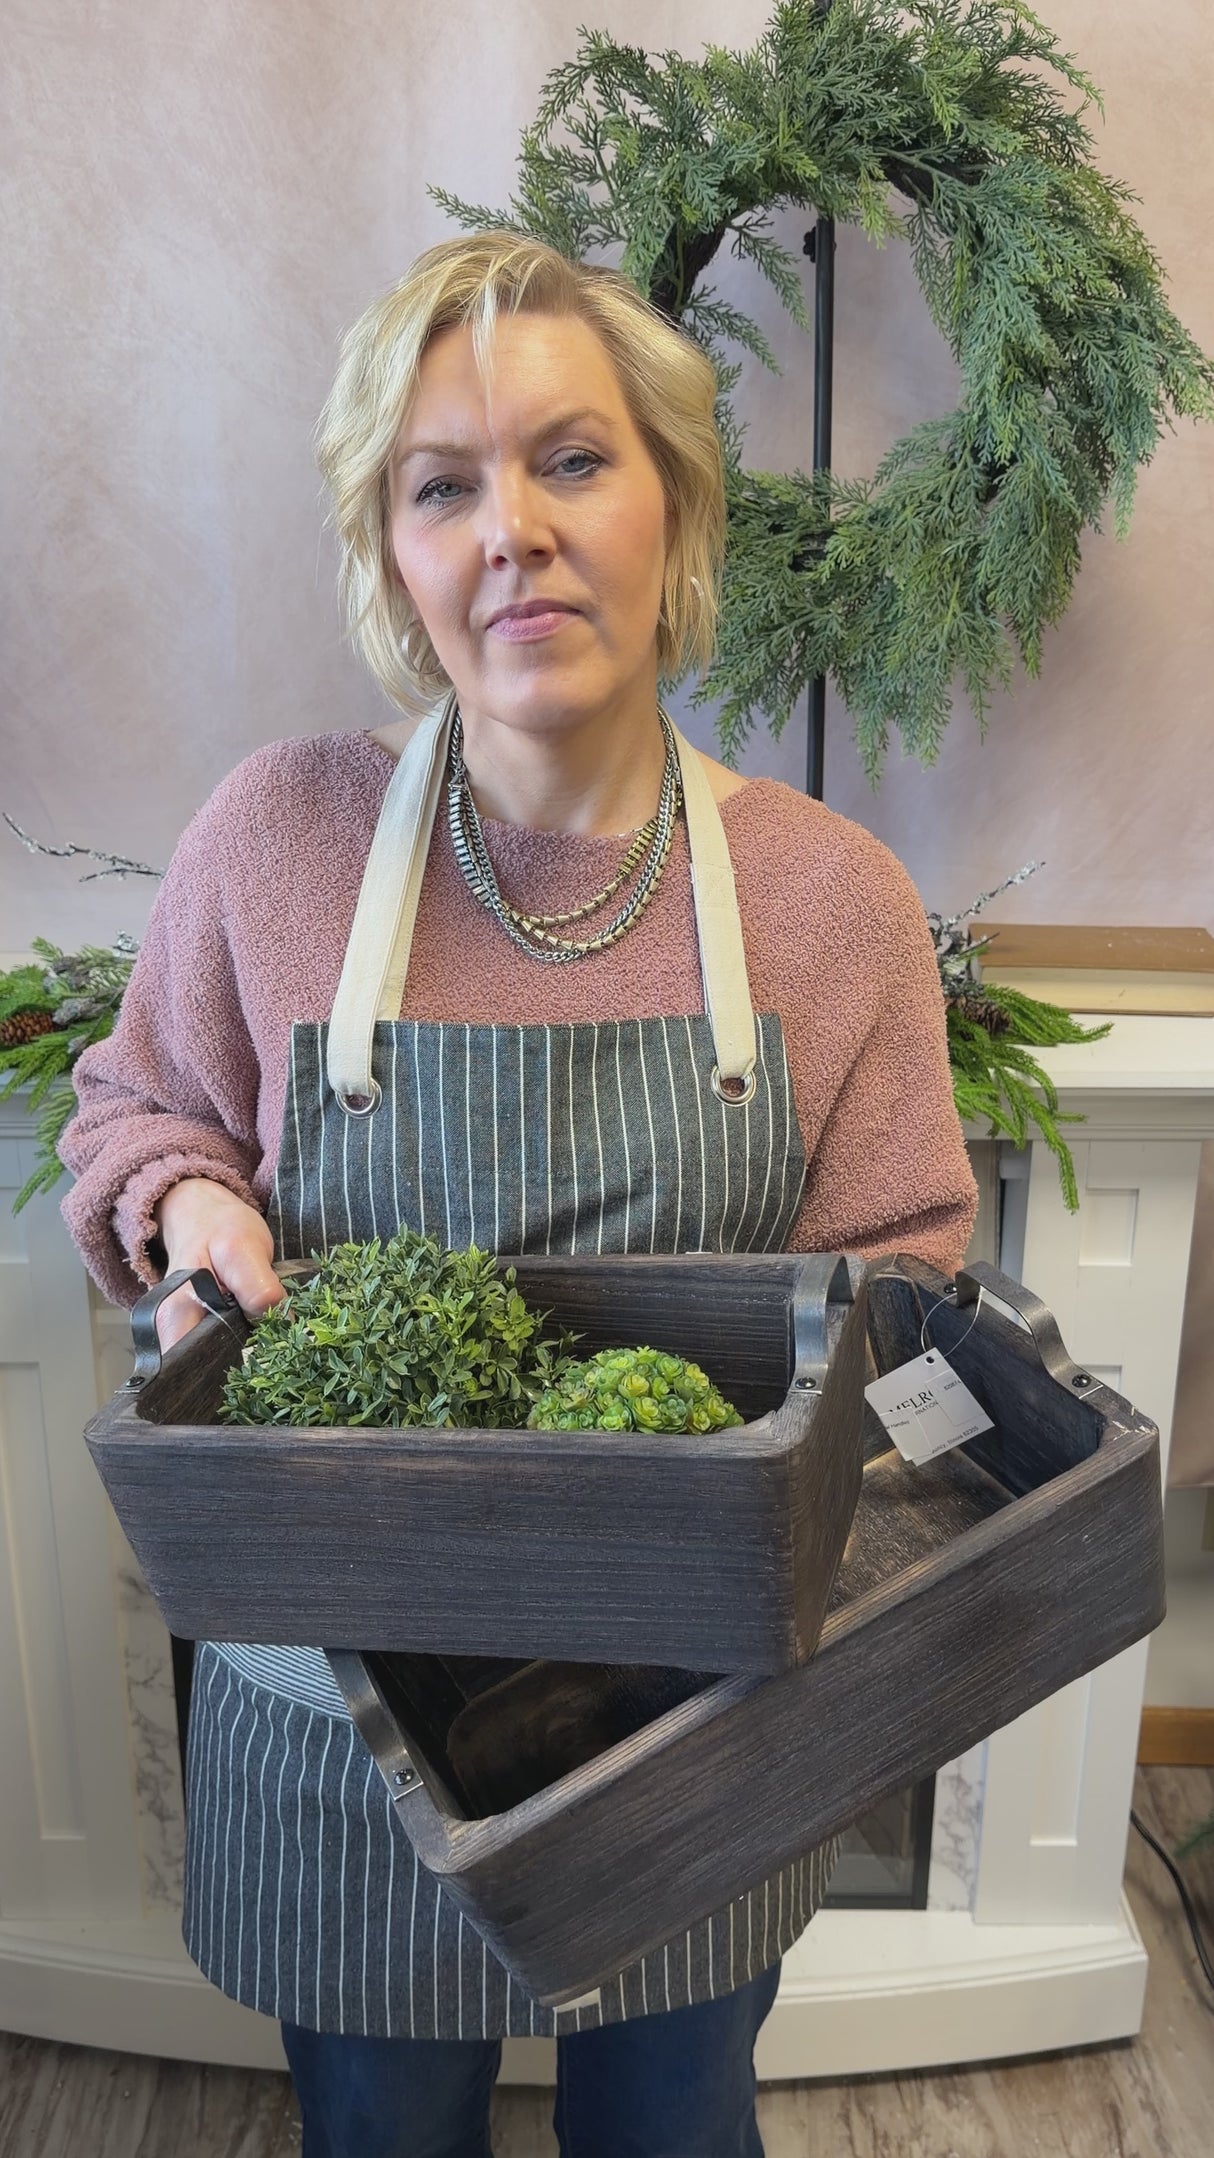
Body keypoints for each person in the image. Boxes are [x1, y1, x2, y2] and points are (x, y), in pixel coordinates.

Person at [60, 231, 979, 2157]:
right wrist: (194, 1217)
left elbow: (910, 1259)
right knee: (379, 2127)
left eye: (572, 460)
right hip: (341, 1721)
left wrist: (822, 1472)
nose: (512, 533)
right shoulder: (277, 838)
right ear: (389, 551)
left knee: (674, 2119)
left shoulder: (828, 900)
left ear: (672, 501)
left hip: (697, 1716)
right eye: (442, 483)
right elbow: (140, 1108)